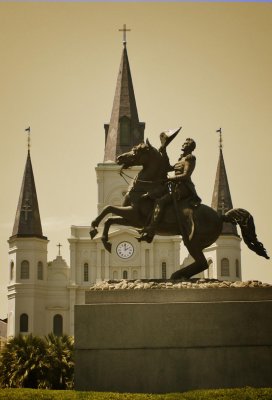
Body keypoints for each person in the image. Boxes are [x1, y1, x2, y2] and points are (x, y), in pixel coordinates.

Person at [139, 137, 201, 243]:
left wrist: (169, 178)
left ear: (190, 147)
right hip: (175, 186)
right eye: (184, 142)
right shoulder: (181, 158)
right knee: (153, 196)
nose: (183, 144)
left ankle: (151, 228)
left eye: (186, 143)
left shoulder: (190, 158)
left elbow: (186, 175)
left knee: (161, 201)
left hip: (183, 188)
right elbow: (168, 167)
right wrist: (164, 151)